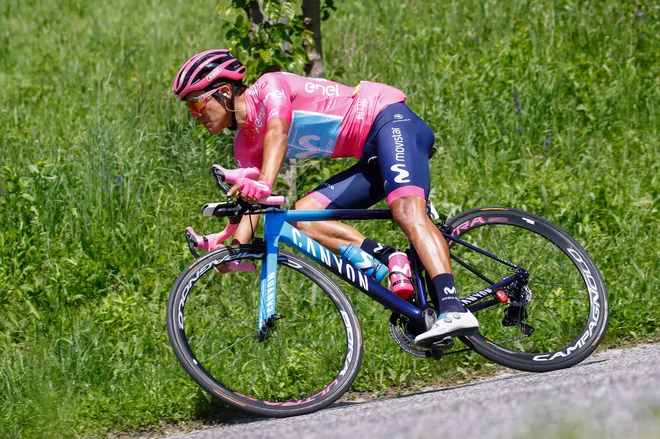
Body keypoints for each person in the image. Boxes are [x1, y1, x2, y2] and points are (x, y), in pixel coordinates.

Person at [172, 49, 478, 344]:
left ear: (224, 92)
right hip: (369, 153)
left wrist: (265, 181)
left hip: (389, 121)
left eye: (196, 105)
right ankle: (389, 258)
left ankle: (453, 307)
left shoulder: (269, 86)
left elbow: (277, 131)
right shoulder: (244, 144)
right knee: (306, 218)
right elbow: (255, 204)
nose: (195, 116)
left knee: (407, 212)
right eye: (190, 109)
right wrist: (232, 250)